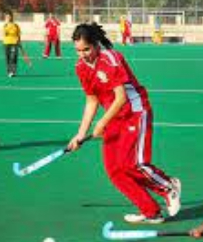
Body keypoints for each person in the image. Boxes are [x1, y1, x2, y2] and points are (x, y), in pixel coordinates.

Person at [67, 23, 181, 224]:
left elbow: (121, 98)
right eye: (78, 50)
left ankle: (168, 186)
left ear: (96, 45)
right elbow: (91, 100)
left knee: (133, 164)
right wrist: (80, 133)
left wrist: (101, 122)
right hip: (114, 118)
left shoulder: (111, 58)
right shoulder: (80, 68)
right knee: (115, 171)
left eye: (86, 49)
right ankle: (150, 211)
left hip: (134, 112)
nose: (83, 54)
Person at [3, 10, 21, 77]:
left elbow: (18, 34)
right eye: (6, 17)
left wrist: (19, 41)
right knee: (7, 57)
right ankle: (9, 71)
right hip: (6, 43)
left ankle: (13, 71)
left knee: (13, 57)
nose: (8, 18)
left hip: (14, 43)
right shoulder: (5, 25)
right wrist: (7, 25)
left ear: (11, 17)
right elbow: (5, 33)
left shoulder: (16, 25)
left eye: (9, 16)